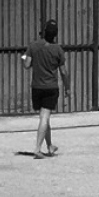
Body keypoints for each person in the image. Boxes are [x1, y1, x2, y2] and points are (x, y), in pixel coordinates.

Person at [25, 19, 65, 157]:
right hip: (50, 87)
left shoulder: (33, 46)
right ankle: (37, 149)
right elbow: (64, 72)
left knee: (44, 117)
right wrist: (68, 88)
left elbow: (26, 64)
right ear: (55, 34)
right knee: (44, 117)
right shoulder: (58, 49)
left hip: (36, 87)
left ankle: (49, 145)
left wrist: (24, 56)